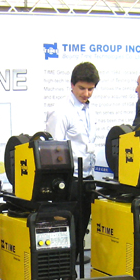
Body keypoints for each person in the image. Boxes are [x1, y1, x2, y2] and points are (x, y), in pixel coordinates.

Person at [45, 61, 99, 259]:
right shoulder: (61, 111)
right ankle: (65, 266)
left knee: (81, 227)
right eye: (82, 88)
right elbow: (54, 150)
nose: (86, 94)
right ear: (72, 85)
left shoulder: (89, 109)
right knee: (66, 230)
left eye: (91, 89)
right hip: (70, 181)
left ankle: (74, 260)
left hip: (87, 177)